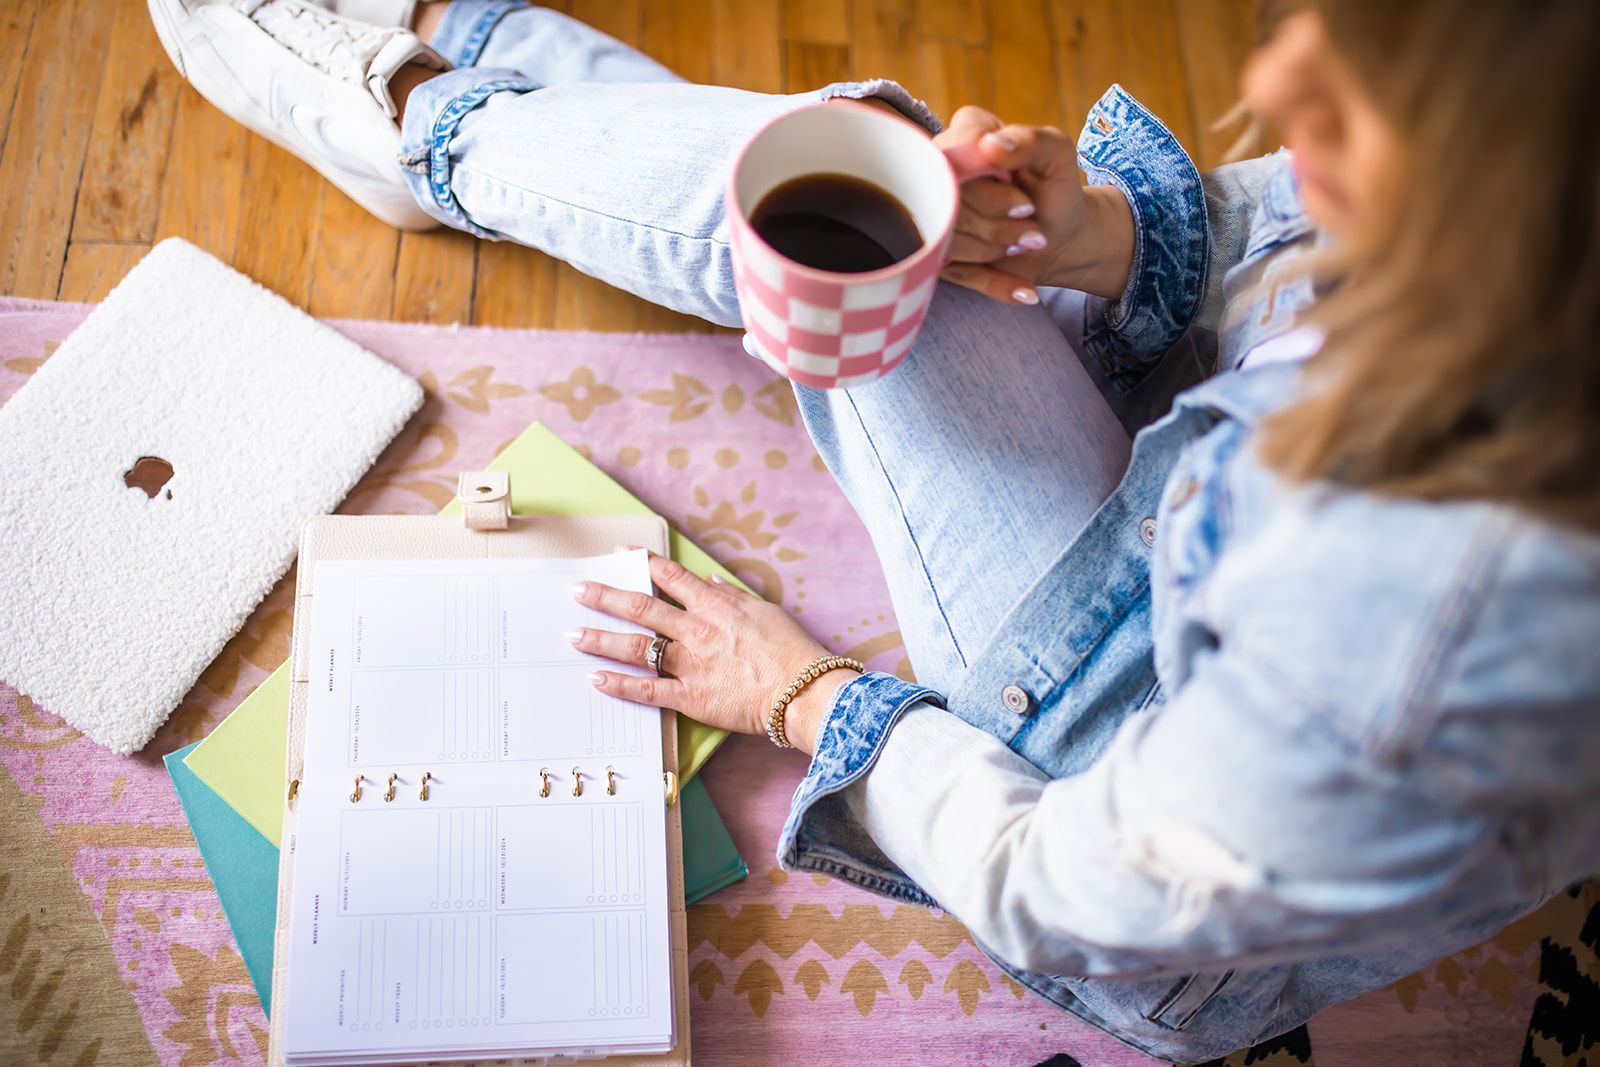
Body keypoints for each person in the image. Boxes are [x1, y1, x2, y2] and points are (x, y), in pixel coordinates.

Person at [148, 0, 1600, 1059]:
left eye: (1375, 98)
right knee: (880, 160)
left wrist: (804, 693)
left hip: (1107, 742)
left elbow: (1069, 892)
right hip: (1202, 473)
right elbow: (1294, 234)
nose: (1277, 77)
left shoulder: (1428, 634)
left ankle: (426, 103)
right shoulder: (1548, 211)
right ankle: (468, 75)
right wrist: (1093, 238)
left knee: (853, 241)